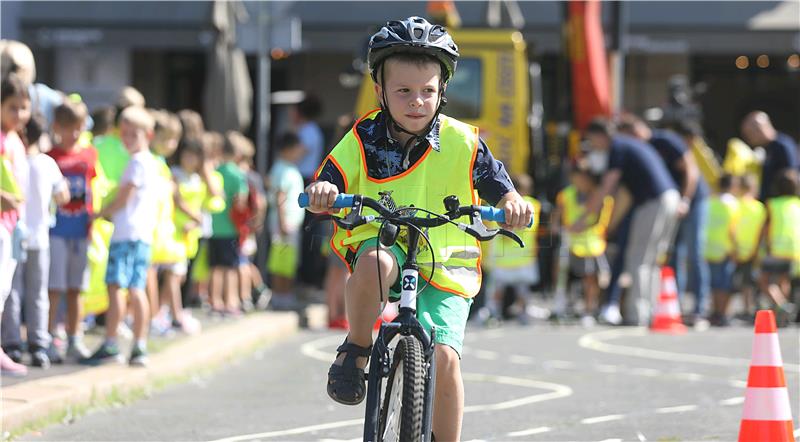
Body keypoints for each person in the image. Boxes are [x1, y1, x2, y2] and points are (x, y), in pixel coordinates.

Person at [304, 17, 532, 440]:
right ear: (380, 92)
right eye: (403, 91)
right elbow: (331, 176)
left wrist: (512, 203)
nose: (416, 101)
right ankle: (355, 348)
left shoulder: (464, 140)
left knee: (445, 358)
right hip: (384, 237)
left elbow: (499, 184)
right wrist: (322, 190)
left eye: (427, 91)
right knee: (373, 262)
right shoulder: (362, 137)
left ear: (442, 92)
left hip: (445, 258)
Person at [580, 118, 680, 326]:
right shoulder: (630, 146)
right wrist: (610, 223)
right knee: (652, 260)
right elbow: (625, 195)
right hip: (669, 198)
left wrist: (585, 217)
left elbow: (607, 187)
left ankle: (638, 315)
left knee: (639, 258)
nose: (593, 146)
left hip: (653, 202)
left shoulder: (617, 147)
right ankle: (651, 311)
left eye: (592, 140)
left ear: (600, 135)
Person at [82, 106, 160, 366]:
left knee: (116, 286)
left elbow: (124, 197)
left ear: (147, 135)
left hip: (126, 233)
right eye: (124, 134)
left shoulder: (137, 163)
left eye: (132, 135)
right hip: (143, 234)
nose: (126, 139)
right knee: (137, 287)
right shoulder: (152, 163)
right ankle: (139, 344)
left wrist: (102, 212)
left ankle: (111, 342)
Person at [620, 115, 711, 325]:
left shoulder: (664, 140)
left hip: (692, 200)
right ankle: (672, 305)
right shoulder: (642, 149)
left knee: (694, 252)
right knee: (671, 255)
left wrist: (686, 200)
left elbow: (691, 169)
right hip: (671, 204)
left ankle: (700, 307)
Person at [1, 114, 69, 369]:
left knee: (12, 291)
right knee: (39, 292)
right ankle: (39, 343)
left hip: (16, 232)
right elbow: (62, 195)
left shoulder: (14, 161)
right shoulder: (47, 163)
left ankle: (12, 342)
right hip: (40, 236)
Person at [47, 98, 97, 363]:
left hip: (81, 230)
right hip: (57, 231)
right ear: (57, 127)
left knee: (76, 287)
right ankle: (50, 336)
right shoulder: (50, 157)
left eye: (78, 127)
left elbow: (95, 191)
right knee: (54, 287)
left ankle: (74, 337)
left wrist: (95, 221)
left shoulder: (89, 154)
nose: (73, 134)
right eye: (68, 127)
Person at [171, 138, 225, 327]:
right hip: (177, 230)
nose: (190, 159)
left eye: (195, 156)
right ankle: (171, 312)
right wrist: (195, 217)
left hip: (196, 231)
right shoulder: (175, 173)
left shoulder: (198, 176)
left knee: (190, 272)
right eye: (187, 155)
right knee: (175, 274)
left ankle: (182, 309)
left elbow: (216, 194)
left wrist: (206, 168)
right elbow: (176, 199)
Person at [0, 73, 31, 376]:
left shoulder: (14, 139)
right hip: (1, 221)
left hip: (11, 223)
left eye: (24, 107)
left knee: (5, 287)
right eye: (12, 107)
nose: (19, 114)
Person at [554, 165, 613, 324]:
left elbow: (600, 220)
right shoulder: (566, 195)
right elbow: (557, 216)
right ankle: (562, 306)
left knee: (591, 279)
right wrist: (557, 227)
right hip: (569, 244)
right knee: (561, 275)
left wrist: (580, 227)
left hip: (592, 245)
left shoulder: (601, 196)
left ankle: (589, 309)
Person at [482, 173, 542, 324]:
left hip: (509, 257)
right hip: (517, 257)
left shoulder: (524, 204)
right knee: (513, 289)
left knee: (504, 290)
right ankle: (512, 313)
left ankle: (495, 313)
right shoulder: (532, 205)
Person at [208, 131, 249, 315]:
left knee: (215, 267)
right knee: (231, 268)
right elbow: (241, 201)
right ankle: (230, 301)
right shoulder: (237, 174)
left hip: (214, 226)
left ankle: (215, 300)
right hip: (231, 227)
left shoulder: (215, 172)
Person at [266, 133, 306, 311]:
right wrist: (282, 222)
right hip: (284, 224)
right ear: (288, 149)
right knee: (281, 261)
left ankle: (284, 296)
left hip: (290, 223)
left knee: (287, 261)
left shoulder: (287, 168)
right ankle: (280, 297)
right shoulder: (282, 169)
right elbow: (280, 196)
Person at [757, 170, 800, 326]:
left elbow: (765, 228)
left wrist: (758, 247)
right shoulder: (797, 203)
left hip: (776, 248)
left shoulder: (772, 204)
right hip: (794, 249)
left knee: (765, 281)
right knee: (784, 280)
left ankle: (782, 305)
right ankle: (782, 312)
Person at [704, 175, 740, 326]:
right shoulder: (732, 204)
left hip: (709, 247)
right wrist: (736, 247)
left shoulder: (710, 201)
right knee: (724, 284)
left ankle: (715, 312)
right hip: (725, 249)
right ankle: (722, 313)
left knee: (713, 282)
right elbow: (733, 228)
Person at [740, 111, 798, 202]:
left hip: (781, 206)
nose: (749, 140)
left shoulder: (782, 146)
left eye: (749, 134)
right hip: (771, 205)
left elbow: (791, 176)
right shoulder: (766, 148)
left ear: (759, 130)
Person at [732, 174, 766, 320]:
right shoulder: (759, 207)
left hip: (736, 250)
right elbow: (762, 230)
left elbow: (731, 227)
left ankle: (741, 309)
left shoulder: (735, 204)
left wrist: (735, 247)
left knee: (735, 281)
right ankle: (750, 308)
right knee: (749, 281)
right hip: (754, 250)